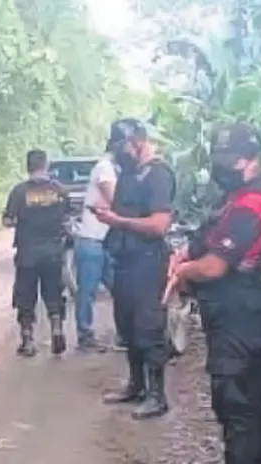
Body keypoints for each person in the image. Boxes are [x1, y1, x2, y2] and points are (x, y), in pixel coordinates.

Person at [165, 123, 261, 464]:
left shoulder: (253, 203)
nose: (223, 166)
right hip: (242, 311)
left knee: (239, 404)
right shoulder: (237, 196)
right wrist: (185, 252)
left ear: (252, 157)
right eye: (219, 158)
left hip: (244, 314)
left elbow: (215, 266)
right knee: (248, 404)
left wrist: (184, 272)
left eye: (231, 160)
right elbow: (206, 236)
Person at [96, 118, 176, 420]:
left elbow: (159, 225)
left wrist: (118, 222)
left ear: (138, 141)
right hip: (125, 260)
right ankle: (136, 385)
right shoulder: (128, 175)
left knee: (148, 327)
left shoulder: (158, 174)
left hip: (148, 261)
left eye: (121, 146)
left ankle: (157, 395)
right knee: (127, 326)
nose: (118, 153)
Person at [3, 149, 72, 357]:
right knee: (54, 292)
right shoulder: (60, 190)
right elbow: (67, 220)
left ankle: (27, 340)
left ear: (28, 166)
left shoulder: (19, 192)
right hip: (53, 252)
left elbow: (8, 220)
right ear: (46, 165)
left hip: (28, 253)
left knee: (25, 296)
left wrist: (19, 220)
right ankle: (57, 329)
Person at [74, 142, 118, 352]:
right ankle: (85, 335)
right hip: (93, 238)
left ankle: (123, 333)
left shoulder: (113, 169)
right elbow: (115, 199)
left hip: (106, 240)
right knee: (88, 291)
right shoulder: (105, 168)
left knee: (119, 288)